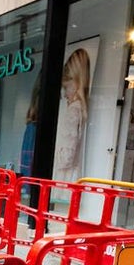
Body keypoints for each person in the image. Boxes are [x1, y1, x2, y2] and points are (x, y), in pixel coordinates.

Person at [54, 47, 91, 182]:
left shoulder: (73, 110)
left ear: (76, 83)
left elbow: (66, 157)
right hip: (72, 176)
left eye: (66, 87)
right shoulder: (81, 108)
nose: (64, 94)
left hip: (64, 177)